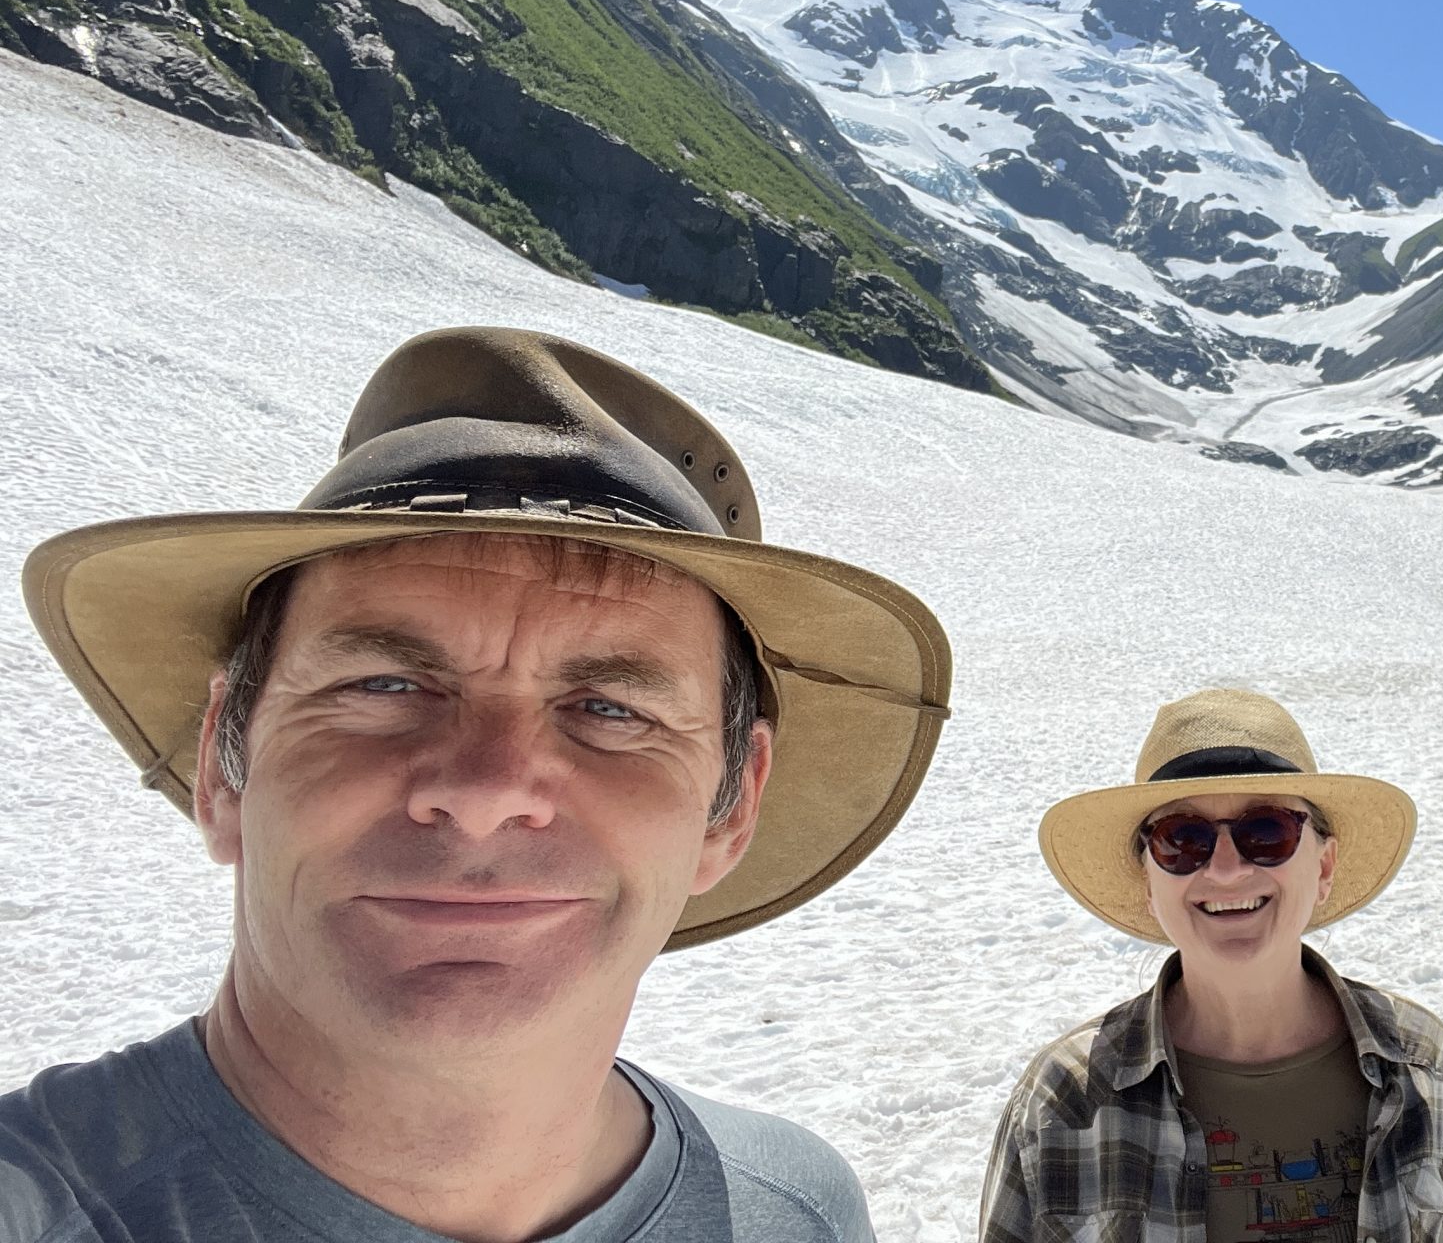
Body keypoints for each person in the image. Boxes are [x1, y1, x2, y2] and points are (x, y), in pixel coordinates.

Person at [0, 327, 953, 1242]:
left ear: (732, 805)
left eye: (612, 709)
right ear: (222, 762)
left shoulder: (798, 1214)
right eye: (383, 685)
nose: (488, 789)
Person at [981, 688, 1443, 1243]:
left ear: (1323, 866)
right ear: (1148, 884)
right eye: (1182, 838)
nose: (1227, 870)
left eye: (1267, 832)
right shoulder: (1066, 1100)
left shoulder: (1424, 1064)